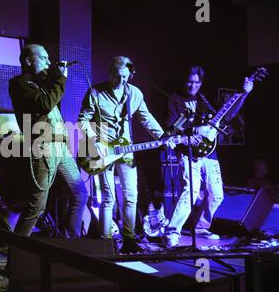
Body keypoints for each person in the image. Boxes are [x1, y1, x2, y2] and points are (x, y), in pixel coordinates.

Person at [78, 56, 173, 253]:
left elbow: (146, 118)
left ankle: (129, 239)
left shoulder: (135, 94)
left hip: (126, 150)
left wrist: (163, 136)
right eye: (117, 76)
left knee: (131, 196)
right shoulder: (95, 92)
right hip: (102, 151)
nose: (120, 81)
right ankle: (105, 243)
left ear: (130, 75)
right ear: (110, 73)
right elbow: (82, 120)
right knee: (107, 198)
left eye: (125, 77)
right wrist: (94, 141)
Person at [164, 66, 253, 248]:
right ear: (184, 81)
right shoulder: (175, 99)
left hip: (210, 153)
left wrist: (244, 93)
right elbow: (171, 127)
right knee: (191, 191)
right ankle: (172, 232)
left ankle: (201, 227)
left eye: (197, 82)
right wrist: (196, 130)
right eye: (190, 81)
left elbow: (227, 115)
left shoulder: (204, 99)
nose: (193, 85)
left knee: (217, 195)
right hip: (189, 153)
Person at [8, 44, 87, 238]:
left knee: (80, 194)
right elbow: (45, 104)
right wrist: (60, 78)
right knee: (37, 207)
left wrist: (53, 75)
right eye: (43, 58)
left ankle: (70, 245)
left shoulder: (42, 83)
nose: (48, 62)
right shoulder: (19, 84)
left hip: (61, 147)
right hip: (43, 147)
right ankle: (16, 255)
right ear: (28, 61)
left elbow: (50, 94)